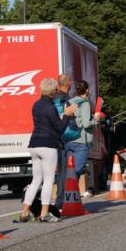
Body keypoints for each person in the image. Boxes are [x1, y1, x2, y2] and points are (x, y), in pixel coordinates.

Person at [16, 78, 78, 223]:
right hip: (48, 145)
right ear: (54, 92)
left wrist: (63, 115)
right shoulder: (51, 108)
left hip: (34, 144)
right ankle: (44, 213)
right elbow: (60, 128)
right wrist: (67, 115)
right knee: (49, 179)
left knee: (36, 179)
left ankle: (25, 212)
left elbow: (47, 123)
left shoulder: (36, 105)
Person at [64, 80, 104, 198]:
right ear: (86, 90)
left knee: (68, 171)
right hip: (81, 140)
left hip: (69, 140)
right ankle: (71, 199)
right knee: (76, 171)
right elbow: (86, 124)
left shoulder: (70, 101)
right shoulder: (85, 103)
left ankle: (64, 196)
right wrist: (95, 120)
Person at [51, 74, 74, 213]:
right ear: (69, 83)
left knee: (54, 171)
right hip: (65, 137)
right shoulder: (67, 99)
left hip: (52, 136)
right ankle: (60, 200)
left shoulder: (52, 99)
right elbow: (72, 118)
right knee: (63, 170)